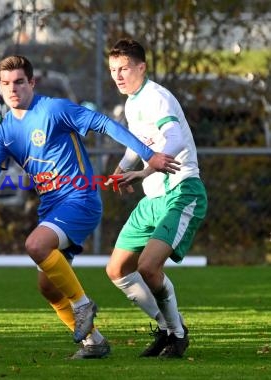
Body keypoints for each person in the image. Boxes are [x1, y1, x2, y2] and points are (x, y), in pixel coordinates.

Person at [0, 55, 180, 359]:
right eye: (5, 83)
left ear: (31, 82)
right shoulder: (3, 132)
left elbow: (104, 123)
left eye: (19, 81)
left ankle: (83, 304)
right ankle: (94, 343)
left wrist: (148, 156)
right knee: (48, 287)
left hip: (80, 199)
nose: (13, 89)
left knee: (35, 244)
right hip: (52, 207)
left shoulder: (54, 109)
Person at [105, 38, 207, 358]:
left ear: (141, 67)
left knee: (149, 267)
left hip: (181, 191)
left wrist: (144, 173)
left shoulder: (157, 98)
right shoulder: (133, 101)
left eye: (123, 69)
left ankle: (177, 336)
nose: (118, 76)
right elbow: (138, 143)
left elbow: (173, 138)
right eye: (112, 70)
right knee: (118, 270)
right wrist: (122, 170)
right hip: (152, 199)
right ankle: (167, 327)